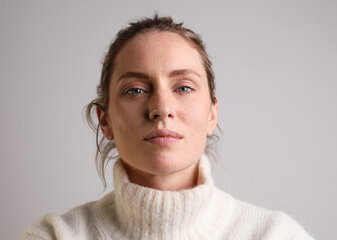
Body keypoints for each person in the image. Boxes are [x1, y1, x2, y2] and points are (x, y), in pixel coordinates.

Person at [19, 15, 314, 240]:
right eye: (135, 90)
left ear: (212, 114)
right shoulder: (55, 235)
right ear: (105, 120)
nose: (162, 108)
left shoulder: (274, 235)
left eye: (184, 87)